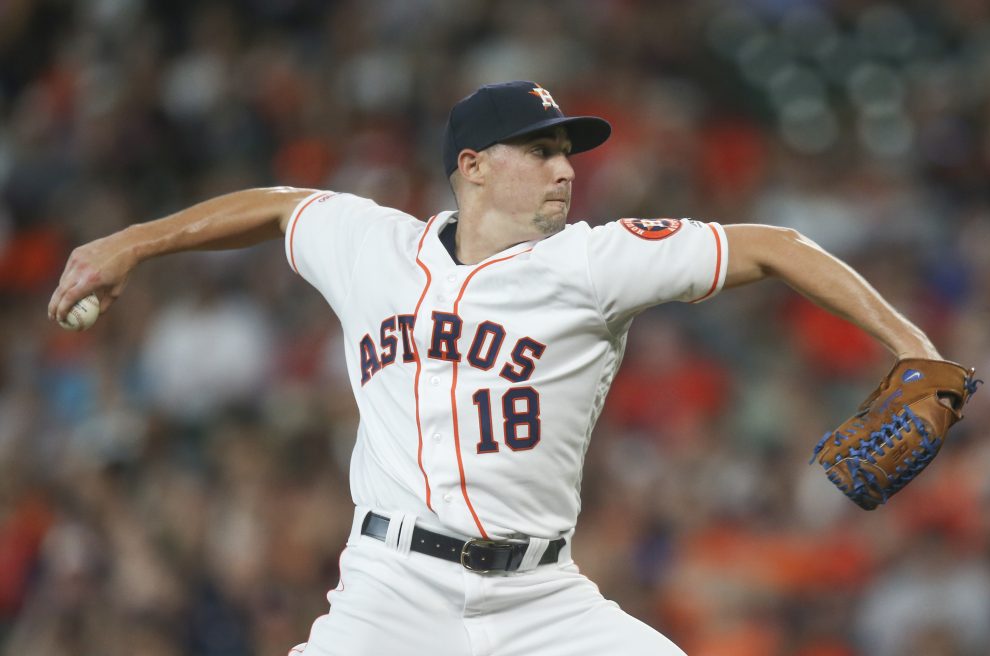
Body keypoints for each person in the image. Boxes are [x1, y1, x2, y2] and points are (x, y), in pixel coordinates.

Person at [48, 81, 942, 656]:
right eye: (542, 150)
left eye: (568, 152)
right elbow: (277, 208)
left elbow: (777, 245)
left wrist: (917, 350)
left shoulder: (593, 262)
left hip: (542, 599)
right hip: (392, 589)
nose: (565, 170)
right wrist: (133, 242)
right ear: (472, 168)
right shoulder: (376, 246)